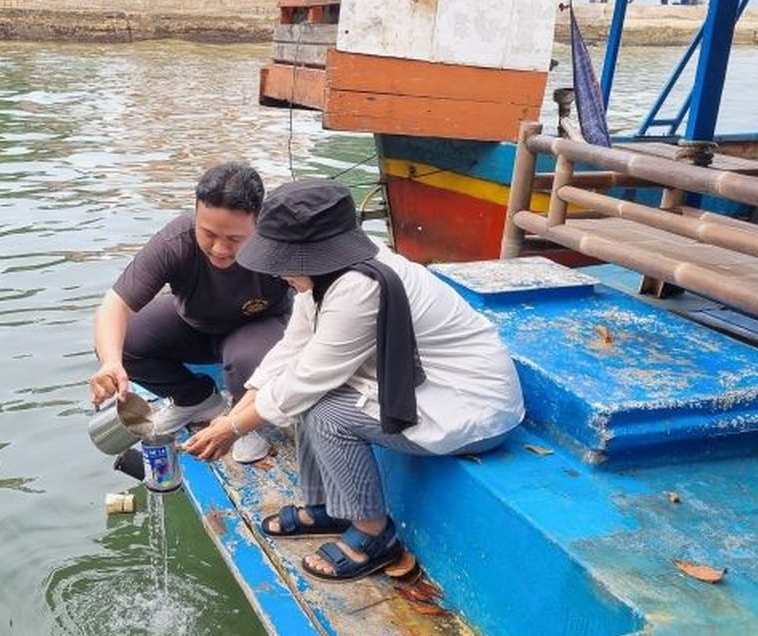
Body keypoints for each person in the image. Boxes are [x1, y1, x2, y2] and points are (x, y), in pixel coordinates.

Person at [185, 179, 524, 581]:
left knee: (326, 410)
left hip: (470, 406)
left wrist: (232, 429)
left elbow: (307, 379)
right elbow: (291, 351)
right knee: (309, 396)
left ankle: (373, 535)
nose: (277, 270)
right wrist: (229, 420)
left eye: (283, 259)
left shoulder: (359, 288)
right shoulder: (329, 274)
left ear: (312, 254)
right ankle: (329, 505)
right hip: (420, 388)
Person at [88, 162, 290, 462]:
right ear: (195, 215)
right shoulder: (175, 241)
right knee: (122, 341)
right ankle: (195, 399)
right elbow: (114, 305)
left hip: (258, 328)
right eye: (208, 234)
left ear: (258, 223)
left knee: (248, 360)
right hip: (195, 324)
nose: (220, 249)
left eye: (234, 239)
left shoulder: (280, 245)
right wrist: (110, 362)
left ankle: (243, 423)